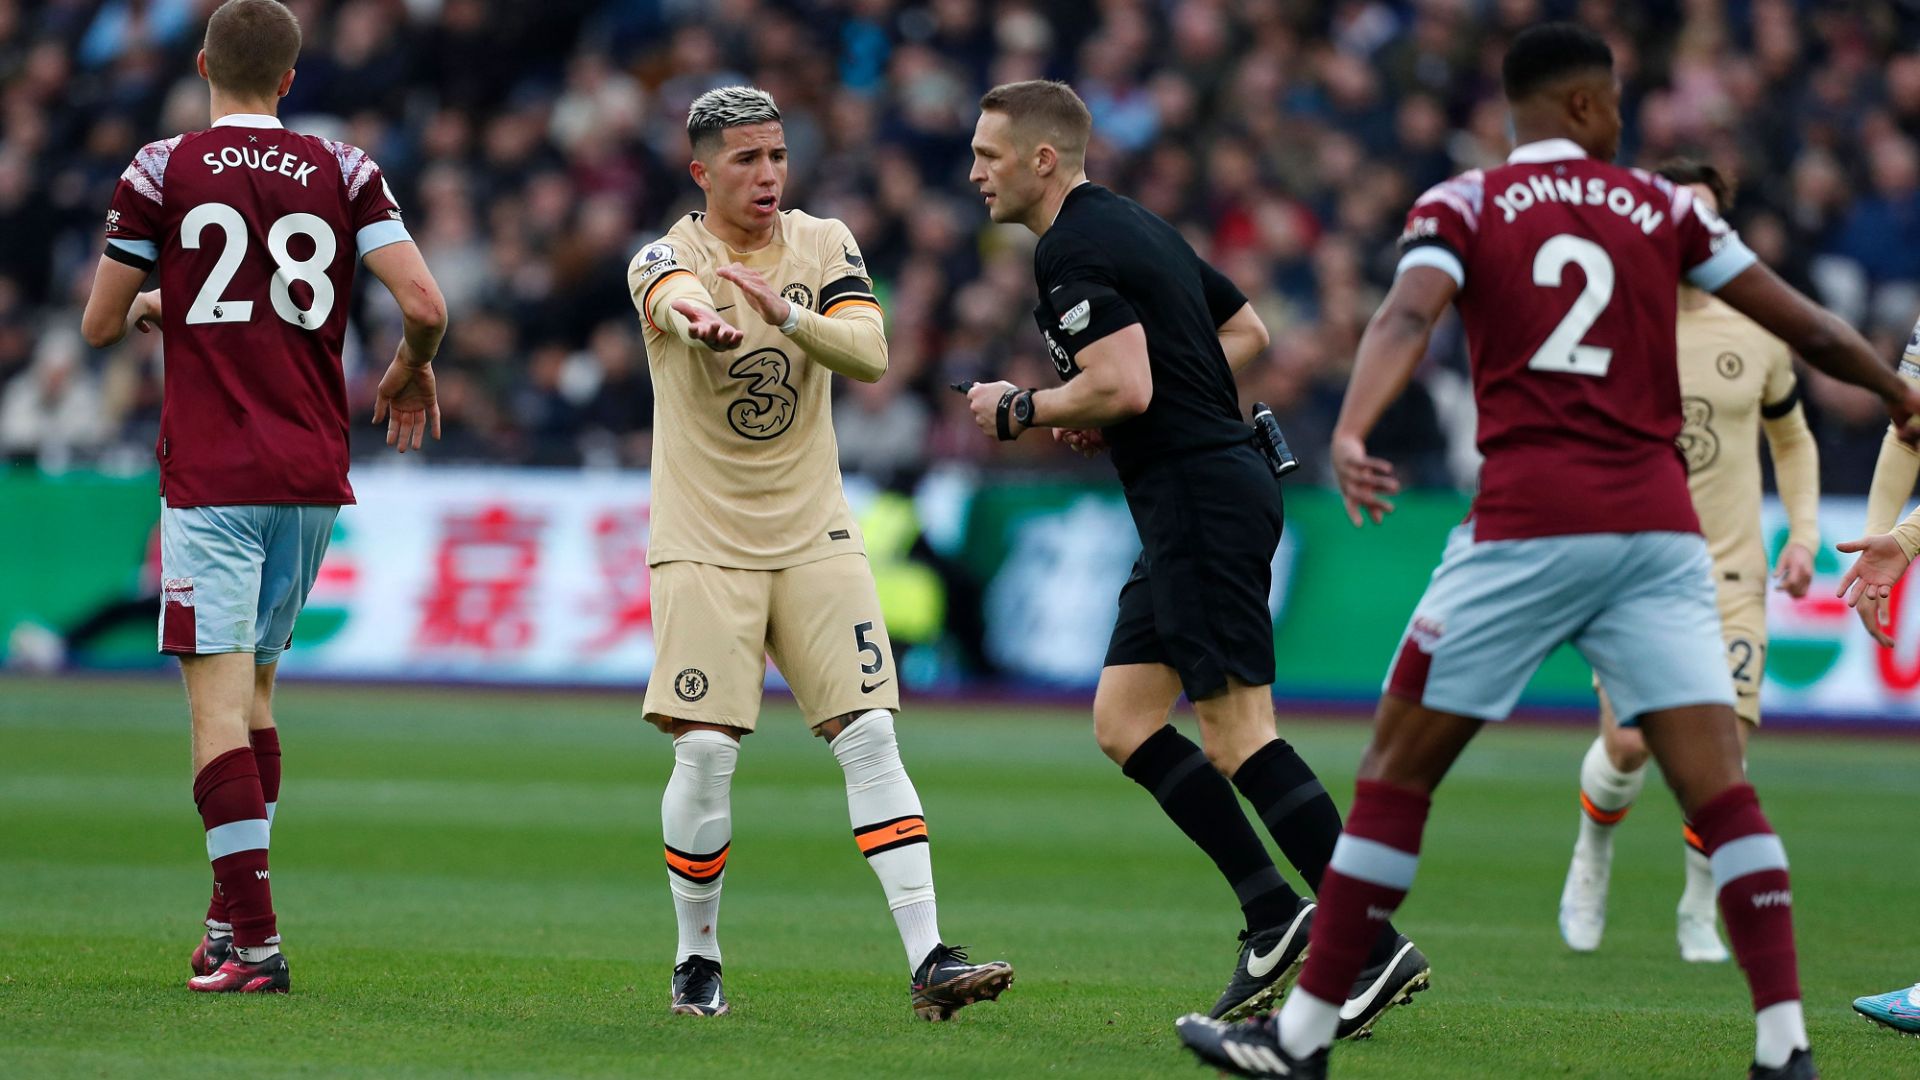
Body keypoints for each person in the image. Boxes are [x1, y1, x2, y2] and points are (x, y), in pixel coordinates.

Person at [1177, 23, 1920, 1079]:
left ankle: (1299, 1042)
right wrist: (1895, 393)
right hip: (1662, 539)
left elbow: (1405, 314)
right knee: (1722, 790)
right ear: (1579, 106)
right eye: (1614, 104)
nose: (1623, 122)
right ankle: (1784, 1047)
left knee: (1395, 773)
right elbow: (1798, 318)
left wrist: (1350, 428)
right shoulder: (1662, 208)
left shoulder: (1462, 204)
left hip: (1524, 526)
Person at [964, 79, 1428, 1036]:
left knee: (1237, 735)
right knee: (1126, 718)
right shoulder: (1132, 223)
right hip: (1207, 487)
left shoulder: (1069, 248)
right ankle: (1272, 915)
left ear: (1041, 159)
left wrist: (1026, 406)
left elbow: (1124, 386)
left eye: (988, 154)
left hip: (1197, 498)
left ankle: (1369, 948)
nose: (973, 172)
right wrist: (1147, 395)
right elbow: (1245, 330)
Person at [78, 0, 446, 994]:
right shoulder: (346, 168)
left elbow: (100, 325)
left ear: (202, 63)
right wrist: (412, 367)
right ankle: (225, 919)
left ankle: (259, 942)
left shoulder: (161, 168)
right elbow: (424, 303)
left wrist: (159, 298)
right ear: (290, 79)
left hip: (212, 477)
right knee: (261, 696)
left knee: (213, 713)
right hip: (312, 474)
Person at [629, 85, 1010, 1021]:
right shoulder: (666, 257)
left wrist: (784, 315)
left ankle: (930, 959)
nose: (767, 176)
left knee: (873, 735)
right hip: (704, 542)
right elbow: (674, 299)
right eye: (747, 160)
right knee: (710, 752)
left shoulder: (825, 241)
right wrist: (705, 319)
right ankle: (697, 958)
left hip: (813, 534)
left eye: (778, 156)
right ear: (701, 171)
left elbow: (873, 353)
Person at [1557, 160, 1821, 964]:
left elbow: (1792, 437)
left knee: (1723, 757)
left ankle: (1697, 912)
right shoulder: (1607, 324)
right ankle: (1590, 858)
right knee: (1633, 745)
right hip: (1633, 572)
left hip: (1732, 577)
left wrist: (1803, 534)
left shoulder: (1757, 327)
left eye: (1704, 219)